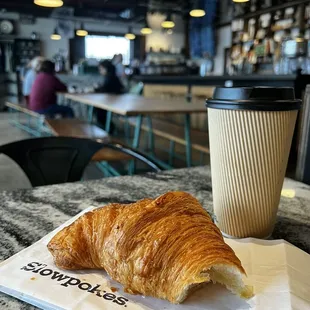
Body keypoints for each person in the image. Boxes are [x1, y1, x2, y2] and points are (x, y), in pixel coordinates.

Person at [95, 60, 125, 127]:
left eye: (101, 69)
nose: (100, 71)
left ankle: (108, 128)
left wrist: (96, 89)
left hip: (115, 104)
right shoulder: (112, 76)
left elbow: (105, 89)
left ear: (106, 68)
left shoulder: (110, 78)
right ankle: (107, 128)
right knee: (98, 108)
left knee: (98, 109)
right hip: (115, 102)